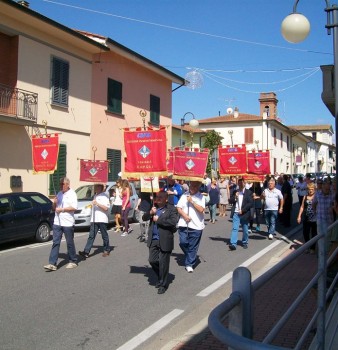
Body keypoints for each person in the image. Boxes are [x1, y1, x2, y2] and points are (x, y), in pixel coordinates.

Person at [143, 191, 179, 294]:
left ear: (166, 199)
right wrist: (150, 213)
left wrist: (158, 220)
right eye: (157, 197)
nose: (158, 199)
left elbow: (173, 223)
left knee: (163, 262)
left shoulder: (171, 209)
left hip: (165, 239)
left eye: (160, 197)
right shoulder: (154, 207)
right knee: (152, 260)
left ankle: (163, 283)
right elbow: (144, 218)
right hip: (153, 239)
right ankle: (162, 274)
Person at [44, 177, 78, 271]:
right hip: (57, 222)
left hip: (68, 222)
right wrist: (54, 203)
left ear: (68, 184)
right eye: (60, 184)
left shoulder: (72, 194)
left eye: (63, 184)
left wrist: (62, 209)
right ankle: (52, 263)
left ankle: (73, 260)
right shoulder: (59, 194)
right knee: (55, 242)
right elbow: (54, 208)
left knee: (69, 242)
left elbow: (74, 207)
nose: (61, 186)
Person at [177, 181, 205, 272]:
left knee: (193, 246)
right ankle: (191, 256)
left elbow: (201, 210)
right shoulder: (184, 195)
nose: (192, 187)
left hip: (196, 225)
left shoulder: (201, 197)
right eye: (191, 185)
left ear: (198, 187)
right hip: (184, 224)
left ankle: (189, 264)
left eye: (195, 186)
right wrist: (185, 216)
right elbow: (178, 207)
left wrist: (192, 201)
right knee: (183, 242)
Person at [78, 184, 111, 258]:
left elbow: (106, 208)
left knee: (104, 235)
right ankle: (86, 252)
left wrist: (97, 204)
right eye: (95, 186)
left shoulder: (104, 196)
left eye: (96, 186)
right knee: (91, 236)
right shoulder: (95, 196)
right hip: (94, 219)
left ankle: (106, 249)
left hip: (102, 219)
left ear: (100, 187)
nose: (95, 188)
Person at [228, 177, 254, 251]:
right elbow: (230, 201)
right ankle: (233, 244)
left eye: (241, 183)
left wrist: (243, 210)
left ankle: (245, 242)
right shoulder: (235, 191)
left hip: (244, 213)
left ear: (244, 183)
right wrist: (235, 197)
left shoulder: (249, 192)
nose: (240, 184)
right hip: (236, 213)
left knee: (245, 229)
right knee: (235, 228)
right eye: (239, 183)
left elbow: (250, 203)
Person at [297, 183, 317, 253]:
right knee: (305, 233)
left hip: (315, 219)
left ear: (314, 189)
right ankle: (307, 246)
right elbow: (302, 207)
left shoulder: (316, 197)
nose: (311, 191)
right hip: (306, 218)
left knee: (314, 234)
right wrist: (299, 216)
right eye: (309, 189)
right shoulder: (305, 197)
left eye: (312, 189)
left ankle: (313, 248)